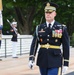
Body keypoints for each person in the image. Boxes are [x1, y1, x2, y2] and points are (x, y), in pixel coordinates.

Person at [29, 2, 70, 75]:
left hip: (55, 59)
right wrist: (31, 58)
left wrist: (66, 62)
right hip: (42, 59)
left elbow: (66, 46)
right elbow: (34, 44)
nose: (48, 14)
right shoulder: (39, 28)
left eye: (50, 12)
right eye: (46, 12)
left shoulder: (61, 27)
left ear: (55, 14)